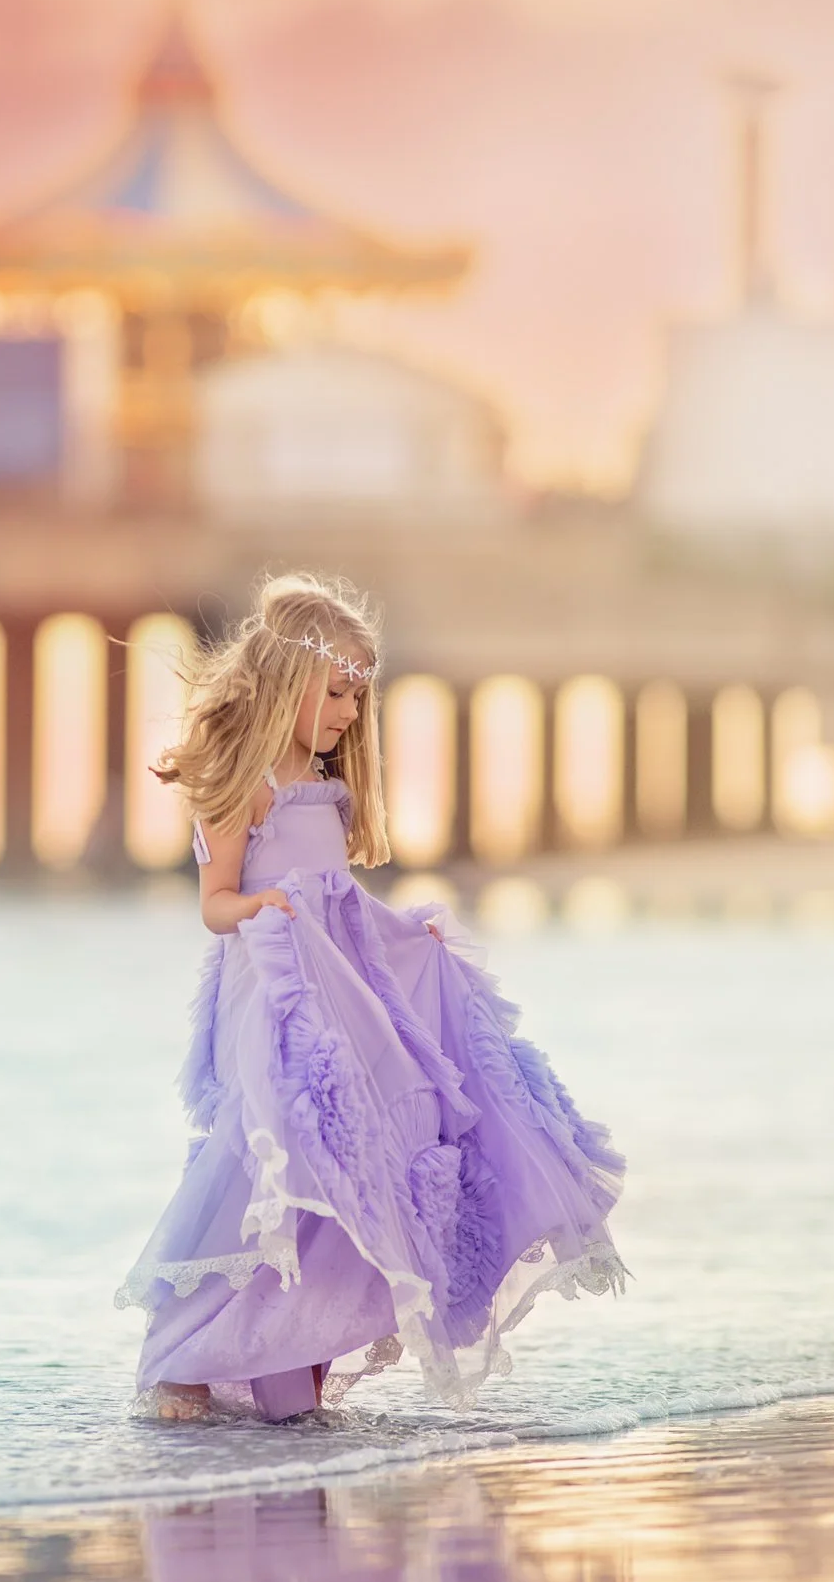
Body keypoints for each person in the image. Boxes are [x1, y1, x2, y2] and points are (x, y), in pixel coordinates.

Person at [117, 573, 627, 1421]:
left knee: (365, 1154)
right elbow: (215, 908)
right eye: (340, 692)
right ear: (290, 684)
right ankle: (185, 1359)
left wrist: (409, 943)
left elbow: (343, 905)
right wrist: (261, 908)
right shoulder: (246, 787)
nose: (353, 712)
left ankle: (296, 1359)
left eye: (360, 696)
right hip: (275, 991)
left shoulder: (325, 790)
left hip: (343, 988)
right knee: (275, 1157)